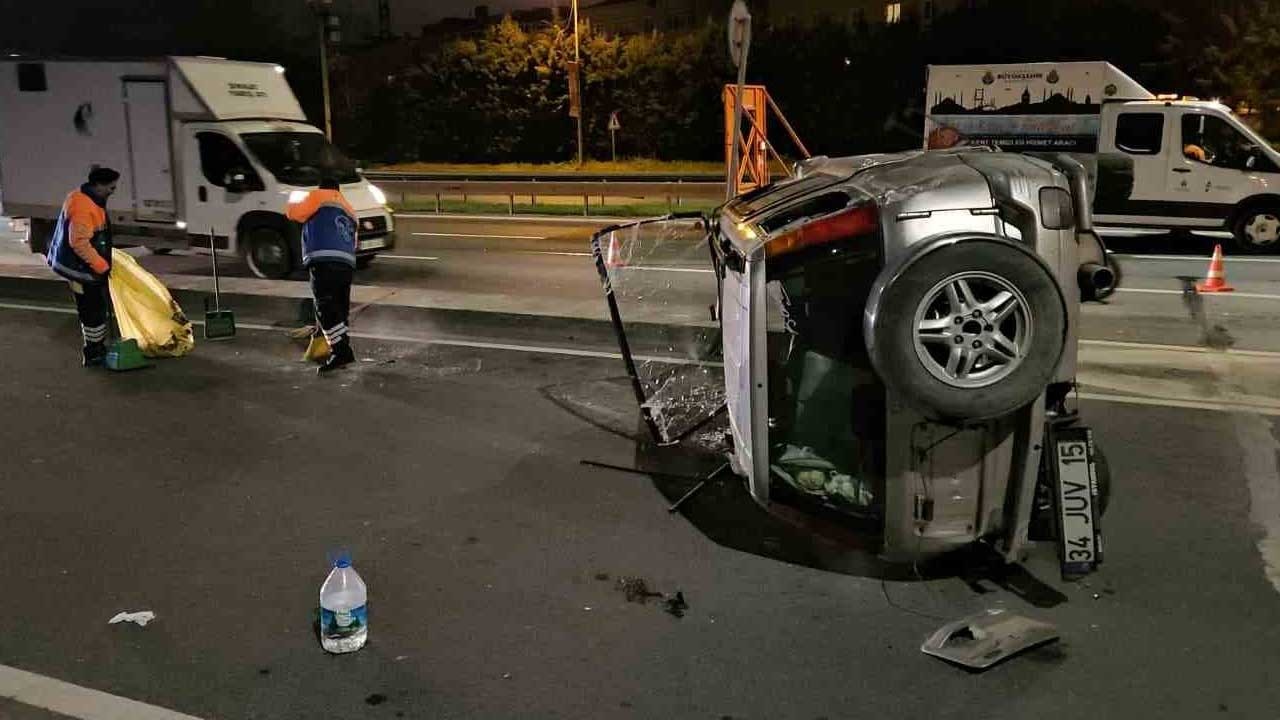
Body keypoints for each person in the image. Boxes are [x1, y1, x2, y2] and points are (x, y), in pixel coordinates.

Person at [46, 167, 119, 367]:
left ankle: (96, 348)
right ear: (99, 185)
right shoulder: (83, 207)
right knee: (92, 310)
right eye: (111, 187)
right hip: (80, 269)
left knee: (93, 308)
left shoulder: (83, 196)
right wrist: (101, 266)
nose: (113, 191)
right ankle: (94, 352)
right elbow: (79, 243)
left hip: (82, 266)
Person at [287, 177, 358, 373]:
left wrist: (294, 200)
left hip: (323, 257)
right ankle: (341, 350)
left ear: (322, 188)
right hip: (347, 262)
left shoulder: (318, 196)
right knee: (340, 309)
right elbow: (353, 239)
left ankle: (341, 352)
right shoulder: (349, 208)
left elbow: (294, 214)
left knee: (324, 307)